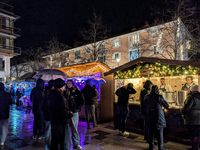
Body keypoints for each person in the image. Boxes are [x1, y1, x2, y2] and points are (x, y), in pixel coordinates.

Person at [49, 78, 73, 150]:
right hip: (60, 122)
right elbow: (63, 111)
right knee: (60, 140)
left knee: (54, 140)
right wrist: (70, 113)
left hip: (53, 121)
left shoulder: (50, 94)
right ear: (61, 86)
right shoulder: (60, 96)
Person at [144, 85, 169, 150]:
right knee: (159, 132)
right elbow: (166, 105)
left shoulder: (147, 97)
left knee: (150, 131)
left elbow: (144, 105)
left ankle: (151, 146)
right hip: (158, 116)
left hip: (149, 115)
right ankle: (160, 147)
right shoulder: (159, 97)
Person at [64, 79, 85, 150]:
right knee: (66, 129)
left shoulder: (77, 92)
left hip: (74, 112)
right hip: (66, 112)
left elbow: (82, 101)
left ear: (72, 84)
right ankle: (67, 144)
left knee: (74, 128)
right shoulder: (65, 92)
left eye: (70, 83)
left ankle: (76, 143)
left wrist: (77, 108)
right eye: (67, 83)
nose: (69, 85)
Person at [181, 85, 200, 150]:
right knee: (198, 134)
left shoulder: (191, 97)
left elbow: (186, 108)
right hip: (199, 119)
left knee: (193, 134)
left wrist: (182, 112)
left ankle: (193, 147)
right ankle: (197, 147)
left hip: (192, 119)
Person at [42, 80, 54, 150]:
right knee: (49, 132)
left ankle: (47, 146)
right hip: (49, 115)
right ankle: (48, 147)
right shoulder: (49, 93)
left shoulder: (45, 92)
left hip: (46, 115)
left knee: (48, 131)